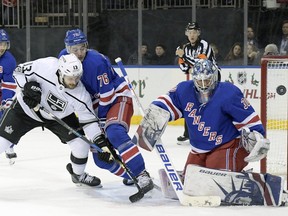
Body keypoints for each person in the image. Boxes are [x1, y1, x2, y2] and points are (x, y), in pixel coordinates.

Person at [146, 59, 287, 206]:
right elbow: (168, 101)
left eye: (207, 80)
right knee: (192, 181)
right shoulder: (184, 90)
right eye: (199, 81)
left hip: (228, 145)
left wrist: (257, 138)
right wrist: (156, 111)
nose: (203, 85)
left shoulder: (228, 93)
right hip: (199, 150)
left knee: (216, 179)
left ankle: (262, 186)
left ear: (214, 76)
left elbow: (251, 121)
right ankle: (223, 175)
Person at [58, 29, 154, 194]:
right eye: (75, 49)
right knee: (101, 158)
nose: (80, 53)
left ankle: (141, 174)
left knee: (114, 132)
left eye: (82, 48)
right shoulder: (63, 59)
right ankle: (130, 174)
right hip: (96, 109)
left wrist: (102, 127)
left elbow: (107, 95)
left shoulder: (96, 62)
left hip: (117, 98)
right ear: (68, 49)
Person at [0, 53, 104, 187]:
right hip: (25, 110)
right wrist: (27, 87)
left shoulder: (81, 95)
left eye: (76, 78)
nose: (73, 82)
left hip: (59, 117)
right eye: (70, 78)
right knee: (2, 143)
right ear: (61, 72)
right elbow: (18, 71)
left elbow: (89, 120)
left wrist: (99, 140)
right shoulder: (46, 66)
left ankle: (78, 175)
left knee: (81, 144)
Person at [175, 22, 220, 145]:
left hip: (212, 78)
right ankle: (188, 134)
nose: (192, 35)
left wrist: (184, 57)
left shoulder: (204, 45)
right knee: (189, 101)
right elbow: (183, 67)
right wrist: (188, 64)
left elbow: (201, 63)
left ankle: (213, 131)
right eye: (190, 32)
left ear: (198, 33)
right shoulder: (187, 48)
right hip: (197, 80)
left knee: (210, 104)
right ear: (186, 34)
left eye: (194, 32)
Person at [0, 29, 18, 163]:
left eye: (4, 44)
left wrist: (7, 100)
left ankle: (9, 146)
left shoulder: (9, 60)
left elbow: (8, 84)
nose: (2, 47)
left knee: (6, 119)